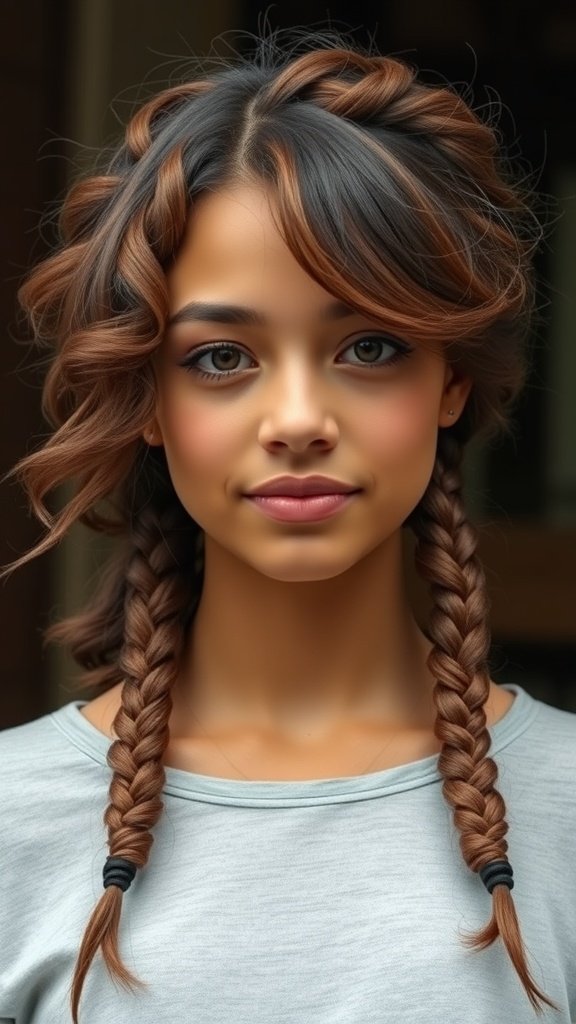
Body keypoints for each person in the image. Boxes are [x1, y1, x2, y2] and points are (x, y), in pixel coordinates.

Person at [0, 26, 574, 1024]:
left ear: (451, 379)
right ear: (144, 394)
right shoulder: (13, 825)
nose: (301, 419)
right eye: (222, 357)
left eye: (369, 346)